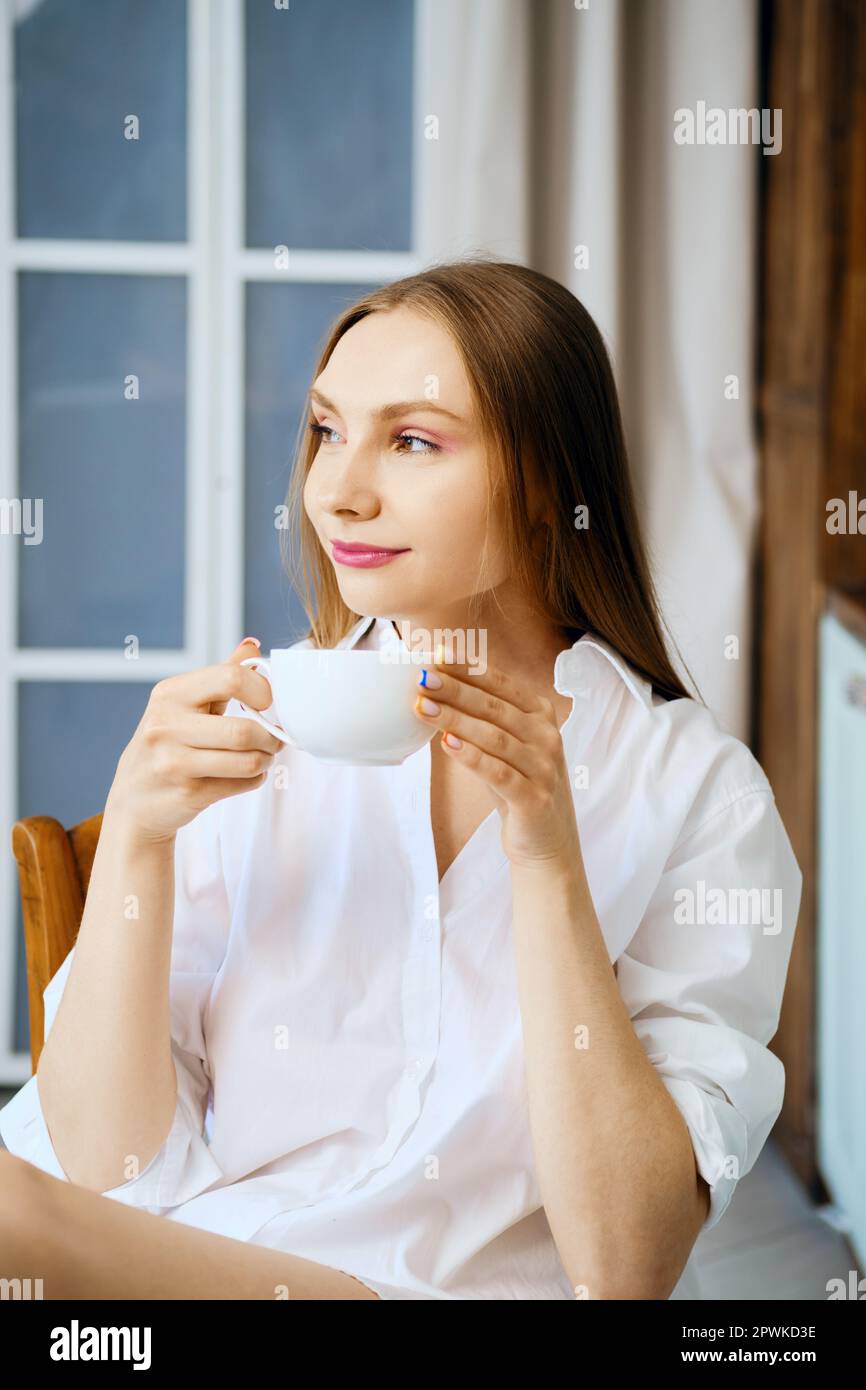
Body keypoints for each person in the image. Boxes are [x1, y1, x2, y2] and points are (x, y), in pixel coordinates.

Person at [0, 257, 801, 1300]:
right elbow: (104, 1172)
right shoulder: (264, 731)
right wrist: (138, 851)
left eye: (413, 440)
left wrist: (547, 866)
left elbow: (625, 1267)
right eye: (328, 431)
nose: (338, 490)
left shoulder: (693, 794)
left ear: (547, 482)